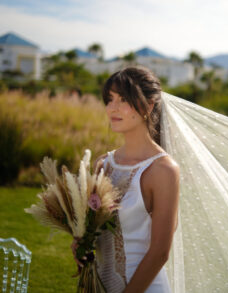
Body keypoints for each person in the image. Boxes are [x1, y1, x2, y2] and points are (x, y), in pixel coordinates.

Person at [72, 66, 180, 293]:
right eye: (110, 99)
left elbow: (160, 252)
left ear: (148, 106)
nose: (113, 108)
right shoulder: (103, 164)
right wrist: (81, 243)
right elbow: (94, 227)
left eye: (123, 99)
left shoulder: (163, 170)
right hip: (100, 284)